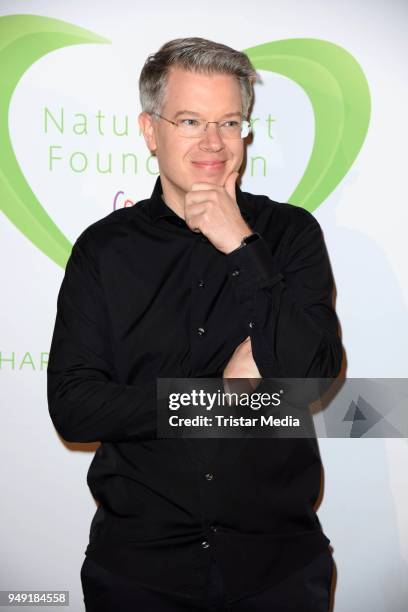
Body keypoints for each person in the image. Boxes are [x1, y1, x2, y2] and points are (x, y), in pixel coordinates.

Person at [47, 37, 342, 611]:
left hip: (278, 568)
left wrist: (241, 244)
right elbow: (74, 406)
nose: (213, 142)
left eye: (230, 122)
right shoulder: (104, 250)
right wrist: (216, 398)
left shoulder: (290, 236)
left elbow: (312, 374)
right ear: (150, 131)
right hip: (140, 571)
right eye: (190, 120)